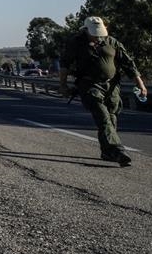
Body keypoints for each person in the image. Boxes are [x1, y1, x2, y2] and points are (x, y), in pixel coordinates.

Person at [59, 16, 147, 167]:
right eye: (94, 32)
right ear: (85, 30)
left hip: (111, 86)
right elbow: (65, 65)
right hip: (89, 85)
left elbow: (129, 64)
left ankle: (107, 151)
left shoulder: (112, 42)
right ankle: (117, 150)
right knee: (103, 117)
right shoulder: (76, 43)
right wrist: (63, 85)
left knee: (111, 118)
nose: (97, 35)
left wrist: (141, 84)